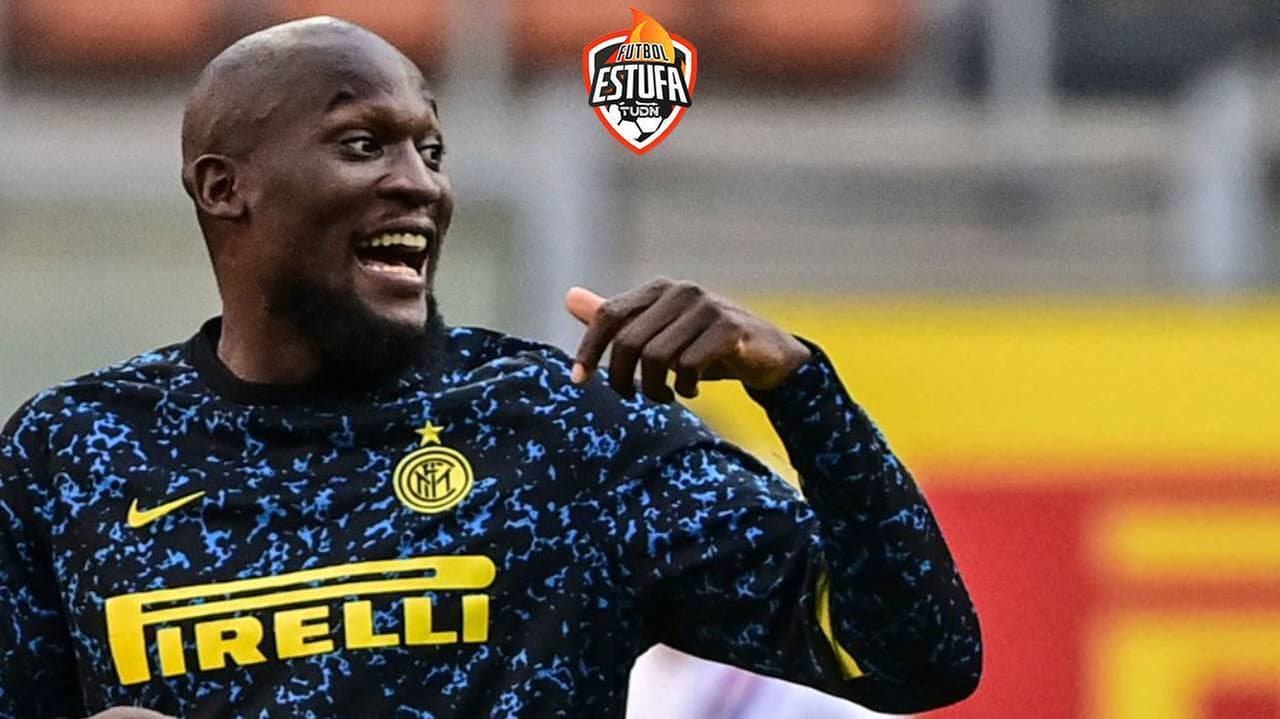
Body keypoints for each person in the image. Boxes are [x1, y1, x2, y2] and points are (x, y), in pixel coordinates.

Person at [0, 17, 980, 719]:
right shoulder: (71, 453)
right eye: (362, 144)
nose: (418, 183)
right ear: (225, 189)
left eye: (431, 149)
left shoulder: (573, 432)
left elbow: (917, 657)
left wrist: (800, 387)